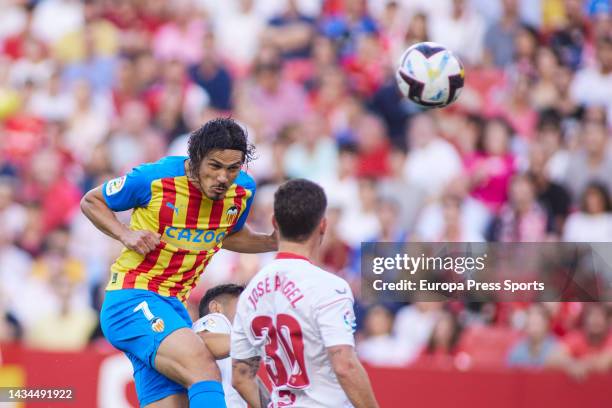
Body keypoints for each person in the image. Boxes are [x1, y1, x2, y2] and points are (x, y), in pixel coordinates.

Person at [81, 118, 277, 407]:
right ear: (195, 159)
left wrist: (273, 241)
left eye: (232, 168)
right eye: (215, 166)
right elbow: (91, 201)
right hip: (132, 298)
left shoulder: (242, 192)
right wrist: (125, 234)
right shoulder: (154, 178)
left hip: (175, 308)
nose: (224, 177)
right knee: (204, 368)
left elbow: (227, 235)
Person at [231, 179, 379, 408]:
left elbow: (240, 376)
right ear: (322, 226)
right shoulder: (330, 287)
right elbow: (344, 364)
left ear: (274, 223)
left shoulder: (250, 292)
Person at [192, 283, 269, 408]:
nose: (248, 314)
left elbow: (245, 380)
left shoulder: (233, 341)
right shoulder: (217, 319)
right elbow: (201, 342)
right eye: (242, 306)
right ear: (216, 308)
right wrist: (255, 340)